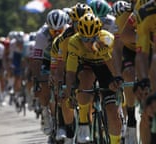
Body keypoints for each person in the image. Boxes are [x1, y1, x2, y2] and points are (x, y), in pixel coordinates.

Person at [66, 13, 121, 143]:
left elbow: (116, 70)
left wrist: (106, 55)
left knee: (112, 111)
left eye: (93, 38)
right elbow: (70, 72)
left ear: (99, 33)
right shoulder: (74, 42)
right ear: (79, 35)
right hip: (86, 67)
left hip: (105, 68)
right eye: (85, 39)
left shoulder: (107, 39)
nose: (89, 43)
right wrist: (70, 93)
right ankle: (84, 123)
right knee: (86, 77)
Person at [50, 3, 94, 143]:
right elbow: (61, 66)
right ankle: (69, 131)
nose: (80, 25)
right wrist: (60, 85)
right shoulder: (64, 39)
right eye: (76, 22)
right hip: (72, 64)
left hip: (93, 63)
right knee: (65, 95)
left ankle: (93, 126)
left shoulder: (98, 29)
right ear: (71, 23)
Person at [31, 9, 68, 143]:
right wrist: (36, 79)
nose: (57, 34)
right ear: (48, 28)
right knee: (45, 87)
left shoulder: (70, 31)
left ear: (66, 26)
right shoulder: (42, 35)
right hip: (46, 60)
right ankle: (46, 112)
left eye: (60, 31)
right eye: (54, 31)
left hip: (63, 59)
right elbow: (36, 59)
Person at [109, 1, 138, 143]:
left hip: (148, 49)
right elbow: (117, 49)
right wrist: (118, 74)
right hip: (129, 51)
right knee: (129, 73)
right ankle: (131, 119)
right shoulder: (123, 18)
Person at [133, 0, 156, 143]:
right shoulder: (146, 12)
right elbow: (142, 54)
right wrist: (143, 80)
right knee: (149, 109)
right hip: (153, 58)